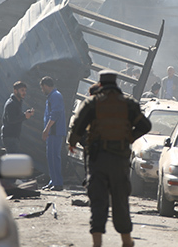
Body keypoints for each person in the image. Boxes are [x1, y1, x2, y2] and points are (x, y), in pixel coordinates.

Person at [68, 70, 152, 247]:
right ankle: (126, 241)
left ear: (100, 84)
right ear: (116, 83)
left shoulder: (92, 103)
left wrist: (72, 142)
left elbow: (78, 125)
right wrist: (129, 137)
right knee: (120, 201)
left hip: (97, 159)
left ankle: (97, 243)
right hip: (120, 160)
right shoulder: (129, 104)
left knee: (98, 200)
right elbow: (145, 125)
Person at [40, 76, 66, 191]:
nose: (42, 90)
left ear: (46, 86)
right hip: (52, 132)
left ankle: (58, 183)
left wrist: (47, 129)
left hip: (55, 131)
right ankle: (53, 181)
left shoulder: (55, 96)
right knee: (50, 157)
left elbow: (55, 113)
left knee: (54, 157)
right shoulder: (52, 96)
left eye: (42, 88)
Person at [1, 81, 34, 154]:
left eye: (25, 90)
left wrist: (26, 114)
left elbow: (17, 116)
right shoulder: (11, 104)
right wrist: (24, 116)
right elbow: (11, 120)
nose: (24, 93)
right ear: (15, 91)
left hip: (13, 136)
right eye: (22, 90)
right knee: (12, 158)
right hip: (10, 137)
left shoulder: (17, 102)